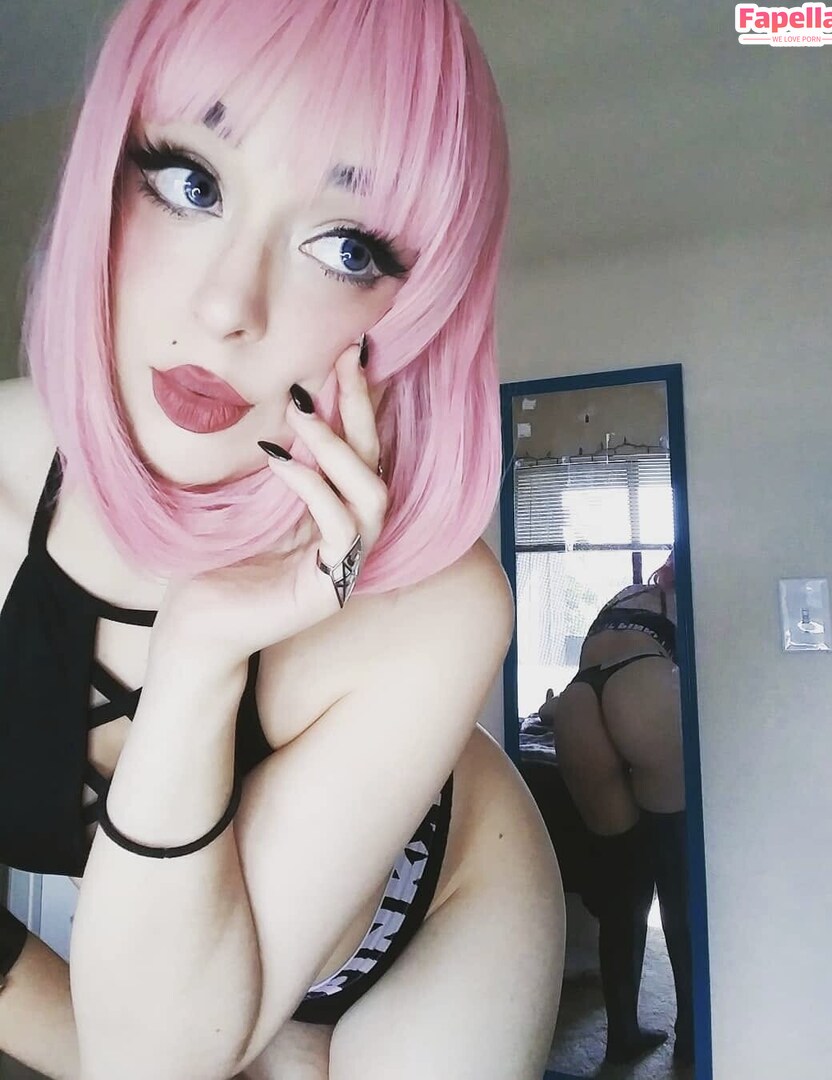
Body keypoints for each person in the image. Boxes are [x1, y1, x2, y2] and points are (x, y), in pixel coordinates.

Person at [0, 2, 566, 1078]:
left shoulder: (442, 608)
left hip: (438, 912)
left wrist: (202, 654)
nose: (228, 306)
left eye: (345, 248)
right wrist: (135, 1048)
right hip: (189, 982)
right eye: (188, 182)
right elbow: (150, 1056)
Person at [549, 553, 694, 1066]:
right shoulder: (687, 594)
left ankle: (622, 1035)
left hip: (578, 699)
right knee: (676, 879)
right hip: (644, 687)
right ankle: (693, 1033)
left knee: (623, 889)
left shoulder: (625, 594)